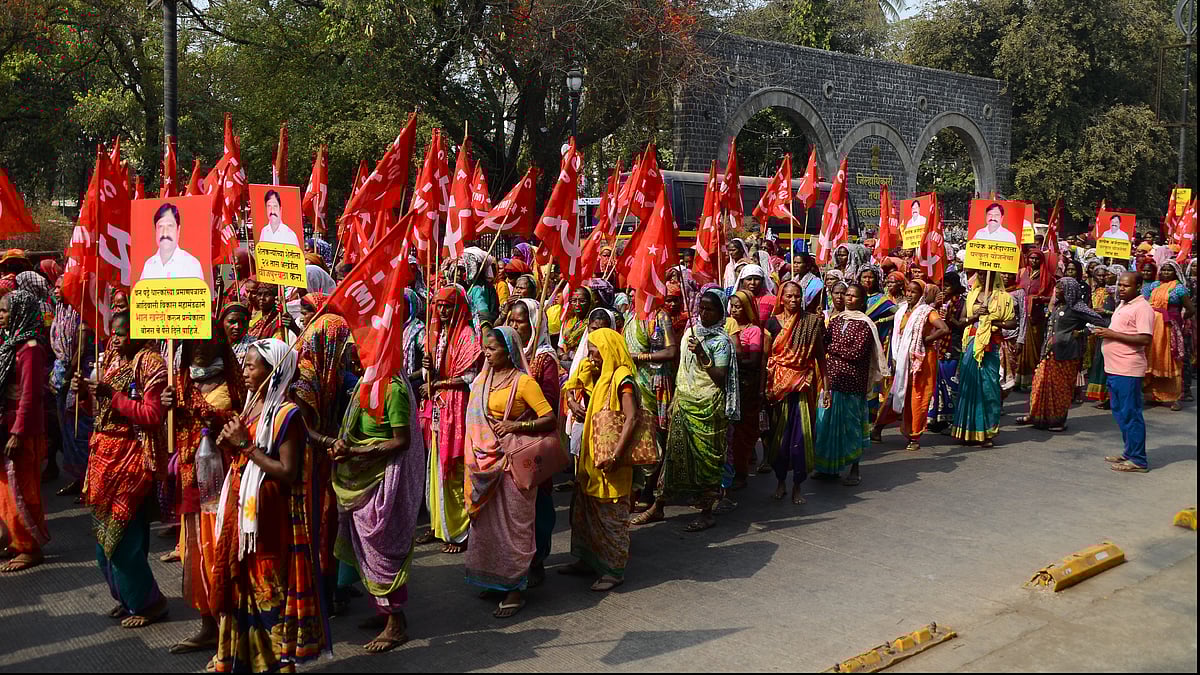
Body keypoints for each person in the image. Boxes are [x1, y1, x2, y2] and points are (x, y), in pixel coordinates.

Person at [211, 338, 328, 671]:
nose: (245, 371)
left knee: (268, 593)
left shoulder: (287, 414)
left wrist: (245, 447)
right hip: (243, 517)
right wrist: (231, 446)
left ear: (273, 371)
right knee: (242, 589)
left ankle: (275, 664)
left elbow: (288, 472)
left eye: (251, 365)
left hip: (269, 522)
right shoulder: (251, 407)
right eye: (244, 365)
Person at [316, 366, 424, 652]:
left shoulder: (394, 388)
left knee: (382, 547)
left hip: (384, 480)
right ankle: (383, 612)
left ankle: (396, 624)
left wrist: (354, 451)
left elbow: (402, 441)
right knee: (365, 546)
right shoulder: (368, 380)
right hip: (362, 476)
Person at [73, 310, 169, 627]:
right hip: (102, 458)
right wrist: (85, 393)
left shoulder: (150, 363)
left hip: (130, 457)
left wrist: (112, 396)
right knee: (103, 542)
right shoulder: (111, 360)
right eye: (114, 332)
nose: (117, 338)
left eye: (124, 332)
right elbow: (99, 409)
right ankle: (128, 598)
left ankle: (148, 604)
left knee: (122, 538)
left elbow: (152, 414)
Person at [463, 326, 556, 618]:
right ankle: (495, 580)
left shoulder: (524, 382)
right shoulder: (482, 380)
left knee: (515, 528)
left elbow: (549, 418)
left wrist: (516, 426)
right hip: (484, 465)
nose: (487, 354)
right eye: (486, 349)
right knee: (488, 527)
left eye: (493, 349)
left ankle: (516, 588)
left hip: (512, 464)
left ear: (510, 351)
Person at [160, 332, 241, 654]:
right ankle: (208, 626)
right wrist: (168, 405)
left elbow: (240, 425)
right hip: (193, 481)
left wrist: (213, 416)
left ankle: (230, 635)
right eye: (195, 342)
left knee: (223, 556)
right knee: (197, 555)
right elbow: (171, 428)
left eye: (207, 341)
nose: (200, 348)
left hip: (225, 485)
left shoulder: (237, 384)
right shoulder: (179, 383)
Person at [634, 288, 737, 531]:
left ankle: (706, 511)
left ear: (721, 312)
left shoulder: (721, 342)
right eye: (701, 308)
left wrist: (702, 353)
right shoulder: (690, 334)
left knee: (705, 460)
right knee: (674, 456)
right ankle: (658, 506)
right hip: (685, 402)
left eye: (709, 309)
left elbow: (720, 378)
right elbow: (682, 370)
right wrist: (675, 398)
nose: (703, 313)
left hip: (709, 407)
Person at [560, 328, 641, 591]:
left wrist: (616, 455)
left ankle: (614, 570)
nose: (592, 358)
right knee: (587, 512)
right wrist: (573, 401)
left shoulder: (622, 378)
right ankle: (587, 560)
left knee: (611, 517)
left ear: (609, 352)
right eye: (591, 353)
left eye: (596, 353)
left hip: (612, 459)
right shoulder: (600, 376)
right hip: (593, 457)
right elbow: (573, 385)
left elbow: (632, 418)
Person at [419, 285, 481, 554]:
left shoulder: (467, 335)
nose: (442, 311)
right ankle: (438, 526)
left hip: (456, 407)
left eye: (448, 306)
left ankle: (458, 531)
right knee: (435, 465)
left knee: (454, 468)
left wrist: (440, 382)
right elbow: (431, 373)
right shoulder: (434, 335)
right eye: (439, 306)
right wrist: (427, 369)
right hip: (437, 407)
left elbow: (469, 377)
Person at [505, 298, 562, 586]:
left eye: (521, 321)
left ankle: (537, 560)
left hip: (534, 440)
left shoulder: (544, 359)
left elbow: (550, 403)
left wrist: (526, 396)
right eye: (512, 321)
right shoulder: (509, 355)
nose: (515, 325)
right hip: (508, 441)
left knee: (537, 502)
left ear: (535, 323)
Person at [814, 284, 887, 485]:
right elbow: (824, 342)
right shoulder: (836, 321)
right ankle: (828, 468)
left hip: (852, 383)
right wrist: (821, 325)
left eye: (854, 296)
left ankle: (855, 468)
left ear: (862, 301)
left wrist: (832, 347)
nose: (849, 299)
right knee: (826, 424)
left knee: (852, 426)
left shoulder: (865, 324)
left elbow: (856, 353)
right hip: (832, 380)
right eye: (847, 295)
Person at [0, 290, 51, 573]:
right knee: (7, 488)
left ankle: (29, 546)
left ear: (19, 312)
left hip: (22, 430)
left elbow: (29, 397)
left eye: (5, 311)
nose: (1, 316)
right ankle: (15, 539)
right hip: (7, 424)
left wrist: (17, 432)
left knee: (23, 488)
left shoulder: (30, 348)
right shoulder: (12, 344)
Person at [1016, 278, 1106, 431]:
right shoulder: (1057, 306)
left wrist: (1080, 333)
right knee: (1040, 384)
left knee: (1060, 388)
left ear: (1069, 291)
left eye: (1060, 289)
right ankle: (1035, 416)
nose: (1056, 292)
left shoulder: (1078, 308)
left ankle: (1057, 421)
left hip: (1066, 354)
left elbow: (1100, 322)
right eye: (1056, 289)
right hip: (1049, 352)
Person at [871, 280, 950, 451]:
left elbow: (943, 329)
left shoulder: (927, 312)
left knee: (917, 397)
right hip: (902, 360)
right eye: (908, 291)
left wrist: (925, 340)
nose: (909, 294)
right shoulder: (901, 311)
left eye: (914, 292)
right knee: (896, 394)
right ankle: (877, 428)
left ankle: (914, 436)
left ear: (921, 294)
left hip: (922, 361)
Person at [765, 280, 824, 503]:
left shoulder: (810, 323)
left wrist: (825, 389)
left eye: (797, 296)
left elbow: (819, 355)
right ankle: (780, 482)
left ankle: (798, 486)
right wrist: (765, 388)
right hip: (778, 388)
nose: (793, 300)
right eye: (789, 296)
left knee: (800, 438)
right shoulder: (772, 324)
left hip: (802, 387)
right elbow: (765, 358)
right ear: (781, 298)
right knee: (779, 440)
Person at [1094, 272, 1155, 472]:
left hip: (1128, 369)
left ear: (1137, 286)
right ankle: (1129, 452)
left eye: (1126, 286)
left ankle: (1138, 459)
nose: (1121, 288)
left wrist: (1111, 334)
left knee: (1131, 413)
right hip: (1114, 368)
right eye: (1120, 284)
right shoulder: (1123, 304)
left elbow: (1145, 339)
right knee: (1120, 413)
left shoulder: (1142, 308)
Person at [623, 297, 677, 511]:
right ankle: (635, 488)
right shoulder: (630, 316)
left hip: (654, 384)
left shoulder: (660, 316)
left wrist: (641, 356)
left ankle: (649, 489)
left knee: (653, 434)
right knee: (633, 434)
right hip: (633, 380)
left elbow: (671, 351)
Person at [951, 272, 1017, 447]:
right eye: (979, 273)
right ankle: (967, 431)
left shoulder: (1005, 298)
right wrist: (976, 316)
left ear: (994, 276)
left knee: (989, 388)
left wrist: (993, 321)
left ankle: (987, 432)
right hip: (972, 343)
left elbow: (1012, 323)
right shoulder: (971, 296)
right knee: (968, 386)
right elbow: (960, 323)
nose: (981, 276)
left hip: (991, 345)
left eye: (985, 274)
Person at [725, 290, 766, 490]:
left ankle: (741, 473)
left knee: (741, 432)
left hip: (746, 386)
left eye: (739, 306)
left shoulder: (753, 331)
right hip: (729, 384)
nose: (734, 310)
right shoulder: (726, 327)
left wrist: (732, 361)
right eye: (732, 306)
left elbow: (754, 361)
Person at [1143, 260, 1194, 410]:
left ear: (1175, 272)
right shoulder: (1154, 286)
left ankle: (1175, 397)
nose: (1165, 272)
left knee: (1172, 359)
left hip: (1170, 327)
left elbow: (1190, 309)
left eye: (1169, 270)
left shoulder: (1179, 289)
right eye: (1163, 270)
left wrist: (1179, 320)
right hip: (1153, 326)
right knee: (1154, 356)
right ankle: (1154, 395)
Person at [929, 274, 967, 432]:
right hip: (938, 346)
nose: (945, 289)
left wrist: (950, 318)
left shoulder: (962, 302)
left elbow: (962, 324)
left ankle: (954, 420)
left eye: (949, 286)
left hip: (953, 345)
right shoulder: (938, 301)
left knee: (951, 382)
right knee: (936, 382)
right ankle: (937, 418)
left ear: (956, 287)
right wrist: (934, 305)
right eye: (943, 285)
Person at [140, 203, 206, 280]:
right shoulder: (149, 265)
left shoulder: (191, 264)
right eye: (160, 227)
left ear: (178, 230)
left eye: (170, 226)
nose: (165, 233)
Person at [1085, 265, 1118, 405]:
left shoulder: (1117, 293)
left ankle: (1110, 397)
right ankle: (1102, 396)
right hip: (1097, 328)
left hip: (1112, 329)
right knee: (1098, 360)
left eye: (1107, 275)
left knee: (1107, 363)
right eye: (1100, 275)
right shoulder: (1093, 290)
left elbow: (1121, 312)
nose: (1104, 277)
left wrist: (1106, 312)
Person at [998, 272, 1027, 396]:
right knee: (995, 372)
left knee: (1010, 373)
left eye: (1009, 274)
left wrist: (1021, 339)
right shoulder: (994, 290)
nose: (1005, 276)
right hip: (995, 336)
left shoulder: (1019, 292)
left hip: (1012, 337)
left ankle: (1002, 399)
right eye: (1003, 274)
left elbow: (1024, 316)